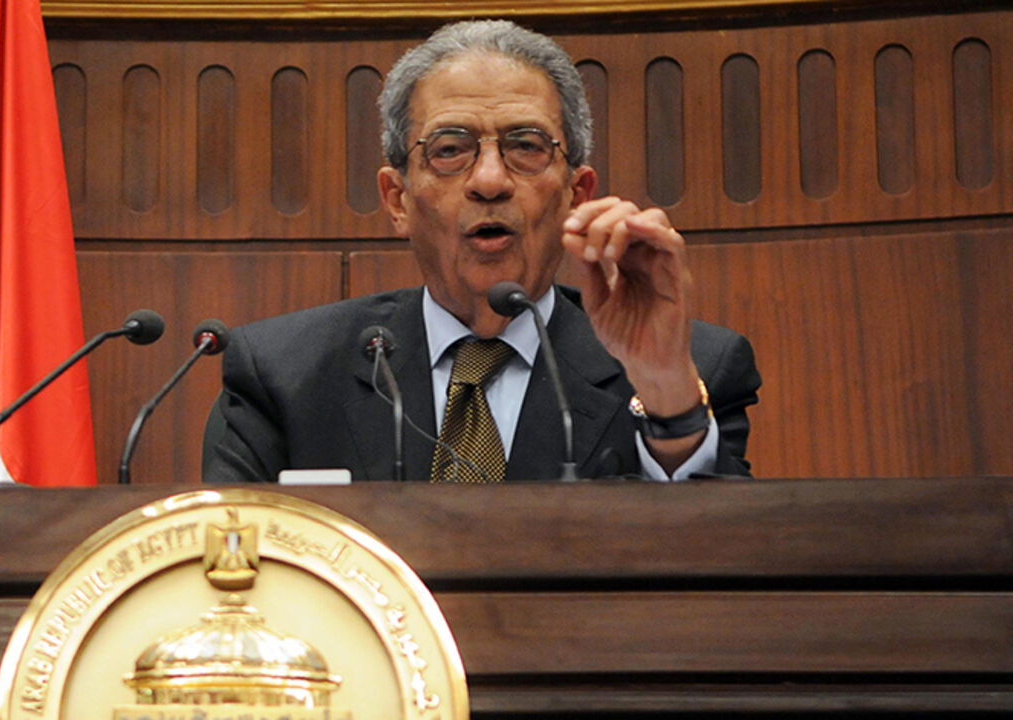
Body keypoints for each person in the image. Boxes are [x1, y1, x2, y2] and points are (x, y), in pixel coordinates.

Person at [202, 20, 760, 483]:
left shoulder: (697, 370)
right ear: (397, 199)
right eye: (450, 150)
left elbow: (724, 578)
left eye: (525, 146)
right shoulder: (284, 373)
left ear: (577, 194)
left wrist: (663, 383)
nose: (490, 180)